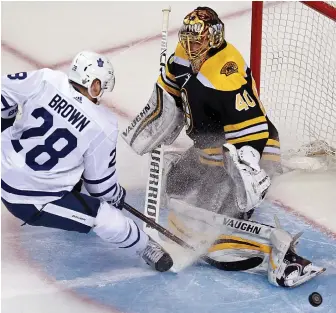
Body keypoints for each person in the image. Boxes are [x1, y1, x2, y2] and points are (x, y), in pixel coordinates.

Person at [122, 7, 325, 287]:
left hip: (250, 151)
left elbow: (253, 131)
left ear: (214, 38)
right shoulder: (181, 56)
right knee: (174, 190)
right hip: (209, 152)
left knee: (217, 219)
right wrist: (155, 121)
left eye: (199, 41)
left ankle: (282, 258)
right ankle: (193, 171)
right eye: (188, 40)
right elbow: (167, 98)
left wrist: (249, 168)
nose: (192, 47)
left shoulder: (226, 72)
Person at [1, 51, 173, 273]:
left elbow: (4, 91)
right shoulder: (103, 125)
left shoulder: (46, 79)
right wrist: (117, 197)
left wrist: (6, 122)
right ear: (95, 84)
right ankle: (146, 247)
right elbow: (101, 187)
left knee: (72, 162)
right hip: (28, 199)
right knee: (109, 219)